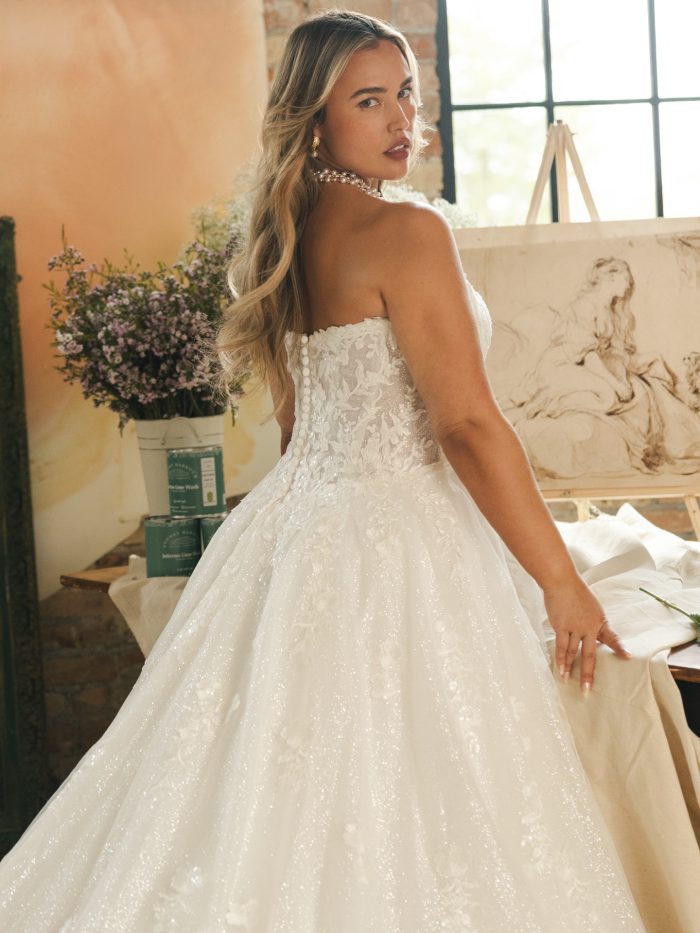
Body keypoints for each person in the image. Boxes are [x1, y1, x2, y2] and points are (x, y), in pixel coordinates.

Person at [0, 10, 648, 932]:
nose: (400, 120)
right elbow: (463, 422)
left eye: (407, 95)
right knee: (415, 786)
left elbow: (303, 420)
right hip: (400, 533)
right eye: (369, 100)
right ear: (315, 119)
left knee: (279, 790)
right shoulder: (408, 232)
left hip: (294, 530)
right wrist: (559, 581)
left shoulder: (286, 237)